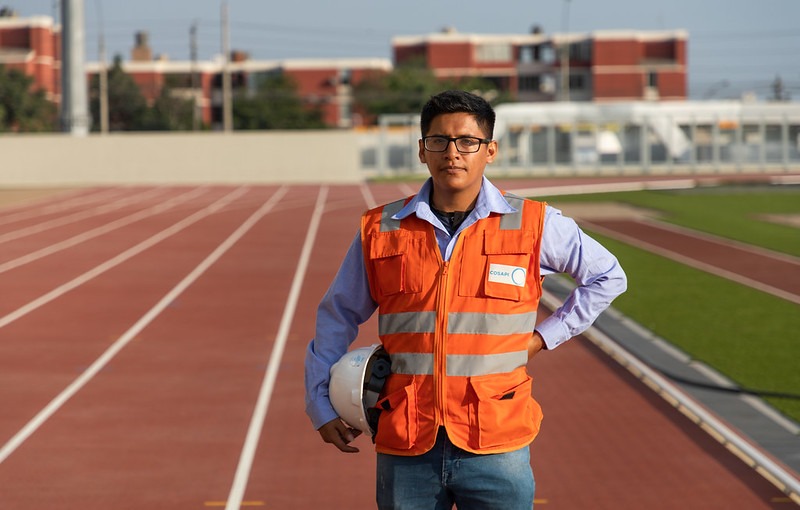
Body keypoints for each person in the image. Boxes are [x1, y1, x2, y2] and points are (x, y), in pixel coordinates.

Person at [304, 90, 627, 509]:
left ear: (490, 150)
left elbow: (607, 276)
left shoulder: (534, 224)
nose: (452, 153)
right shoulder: (382, 229)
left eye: (467, 142)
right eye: (439, 141)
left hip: (497, 442)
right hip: (407, 439)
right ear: (422, 150)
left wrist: (542, 338)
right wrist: (320, 402)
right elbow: (338, 314)